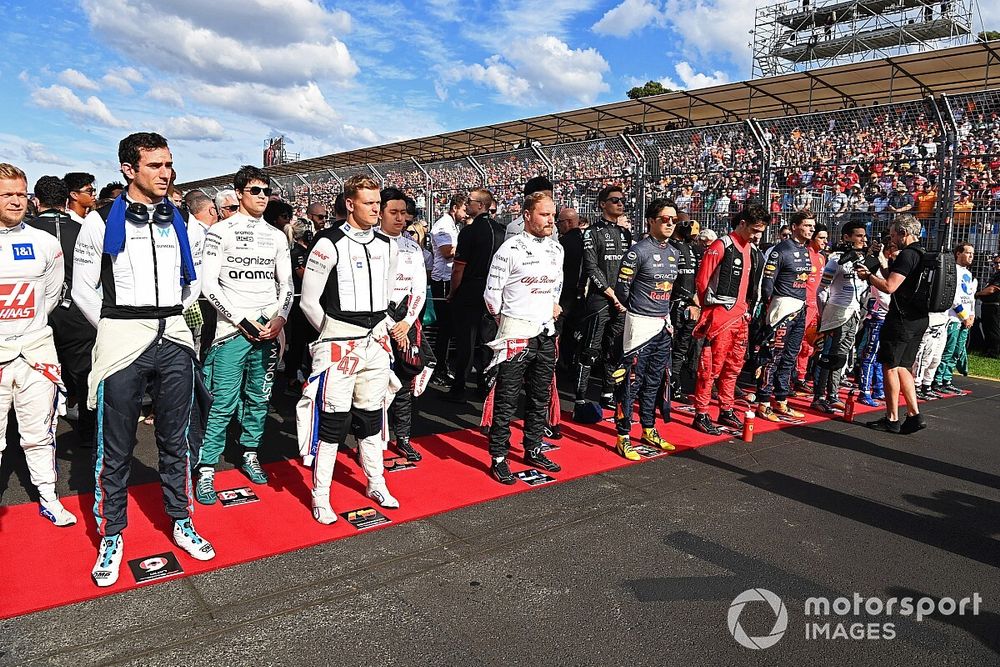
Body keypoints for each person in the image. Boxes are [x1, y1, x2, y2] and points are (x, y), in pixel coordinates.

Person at [73, 132, 212, 587]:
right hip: (121, 339)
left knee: (177, 439)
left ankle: (181, 519)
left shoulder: (182, 221)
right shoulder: (98, 222)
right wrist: (117, 326)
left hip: (173, 335)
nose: (166, 173)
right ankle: (112, 533)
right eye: (155, 165)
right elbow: (81, 290)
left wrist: (167, 319)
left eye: (168, 164)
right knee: (114, 447)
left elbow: (191, 283)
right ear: (128, 170)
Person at [297, 174, 400, 524]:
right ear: (350, 203)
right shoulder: (327, 243)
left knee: (372, 416)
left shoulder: (389, 244)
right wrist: (334, 335)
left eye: (378, 203)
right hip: (339, 343)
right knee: (332, 421)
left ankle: (376, 482)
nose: (376, 209)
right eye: (369, 203)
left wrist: (381, 330)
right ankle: (320, 496)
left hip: (375, 343)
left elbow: (387, 298)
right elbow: (309, 302)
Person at [194, 165, 293, 504]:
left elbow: (287, 285)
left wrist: (280, 318)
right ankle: (206, 467)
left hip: (268, 330)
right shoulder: (220, 232)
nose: (262, 197)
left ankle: (250, 453)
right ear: (239, 194)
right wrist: (240, 320)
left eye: (266, 191)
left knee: (260, 398)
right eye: (255, 191)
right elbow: (208, 286)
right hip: (230, 331)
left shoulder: (277, 236)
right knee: (222, 402)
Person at [0, 163, 77, 527]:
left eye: (21, 193)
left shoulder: (45, 243)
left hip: (34, 353)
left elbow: (49, 295)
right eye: (7, 194)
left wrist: (26, 332)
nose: (16, 201)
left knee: (39, 433)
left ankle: (49, 497)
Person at [482, 192, 563, 484]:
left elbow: (557, 286)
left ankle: (534, 447)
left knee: (540, 397)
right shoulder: (509, 249)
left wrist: (552, 305)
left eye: (553, 215)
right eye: (544, 215)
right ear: (527, 215)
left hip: (545, 332)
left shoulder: (557, 249)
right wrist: (507, 323)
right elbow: (491, 296)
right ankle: (499, 457)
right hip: (515, 333)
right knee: (506, 398)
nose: (550, 220)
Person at [24, 176, 99, 447]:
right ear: (66, 199)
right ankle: (89, 432)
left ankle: (34, 436)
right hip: (78, 313)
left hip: (37, 314)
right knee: (84, 374)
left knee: (35, 376)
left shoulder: (26, 232)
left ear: (36, 200)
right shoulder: (83, 230)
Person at [690, 205, 767, 435]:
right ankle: (701, 413)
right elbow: (702, 281)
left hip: (741, 317)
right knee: (710, 368)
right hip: (720, 318)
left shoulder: (751, 249)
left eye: (761, 231)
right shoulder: (720, 245)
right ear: (742, 223)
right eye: (754, 230)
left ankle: (726, 408)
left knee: (734, 367)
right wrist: (709, 312)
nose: (757, 236)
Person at [612, 198, 680, 460]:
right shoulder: (637, 252)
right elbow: (623, 290)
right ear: (651, 220)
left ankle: (649, 428)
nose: (670, 224)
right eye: (665, 219)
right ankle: (623, 436)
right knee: (630, 383)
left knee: (655, 381)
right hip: (639, 326)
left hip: (663, 324)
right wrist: (640, 312)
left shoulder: (673, 252)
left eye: (674, 220)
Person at [855, 214, 929, 434]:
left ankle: (892, 417)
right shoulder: (921, 254)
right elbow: (897, 278)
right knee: (905, 366)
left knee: (889, 365)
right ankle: (914, 414)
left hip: (901, 319)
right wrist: (882, 263)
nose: (891, 236)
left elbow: (889, 286)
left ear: (904, 233)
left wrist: (868, 276)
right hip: (919, 318)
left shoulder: (907, 254)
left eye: (894, 233)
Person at [573, 185, 632, 417]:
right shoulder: (592, 233)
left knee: (615, 348)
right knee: (590, 350)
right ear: (602, 204)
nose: (620, 203)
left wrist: (624, 296)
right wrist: (611, 293)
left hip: (621, 301)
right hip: (599, 300)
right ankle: (579, 398)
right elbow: (590, 267)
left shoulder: (625, 234)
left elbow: (628, 268)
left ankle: (608, 393)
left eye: (622, 200)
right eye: (615, 200)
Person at [380, 187, 429, 463]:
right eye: (393, 212)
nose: (400, 218)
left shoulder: (412, 245)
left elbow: (420, 288)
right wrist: (389, 324)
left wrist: (407, 322)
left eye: (403, 213)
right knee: (374, 384)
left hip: (406, 321)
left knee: (405, 382)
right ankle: (372, 438)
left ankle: (404, 437)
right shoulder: (370, 243)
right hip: (377, 323)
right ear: (381, 212)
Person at [753, 210, 816, 422]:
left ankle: (781, 399)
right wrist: (768, 306)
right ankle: (763, 402)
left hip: (801, 307)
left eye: (812, 226)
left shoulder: (806, 250)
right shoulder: (780, 250)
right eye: (807, 225)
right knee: (773, 356)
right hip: (782, 307)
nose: (811, 229)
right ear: (795, 226)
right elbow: (768, 282)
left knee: (790, 356)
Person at [446, 189, 504, 401]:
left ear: (480, 205)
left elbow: (458, 269)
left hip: (471, 289)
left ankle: (459, 389)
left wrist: (453, 292)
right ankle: (485, 386)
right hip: (494, 290)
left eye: (470, 201)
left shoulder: (469, 232)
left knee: (466, 342)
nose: (467, 204)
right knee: (488, 340)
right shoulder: (501, 231)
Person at [811, 221, 872, 412]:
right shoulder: (836, 260)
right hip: (836, 313)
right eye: (859, 236)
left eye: (864, 236)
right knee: (828, 356)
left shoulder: (861, 260)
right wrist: (823, 314)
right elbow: (822, 289)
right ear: (847, 237)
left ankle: (833, 394)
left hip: (853, 313)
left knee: (842, 357)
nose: (863, 239)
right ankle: (819, 396)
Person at [429, 194, 466, 384]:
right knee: (445, 327)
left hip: (448, 278)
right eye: (463, 209)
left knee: (449, 327)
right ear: (454, 208)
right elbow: (446, 252)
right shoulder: (443, 225)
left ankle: (442, 367)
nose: (465, 213)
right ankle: (439, 369)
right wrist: (467, 246)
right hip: (442, 280)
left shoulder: (453, 225)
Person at [667, 212, 701, 402]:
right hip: (673, 306)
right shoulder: (670, 247)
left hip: (690, 306)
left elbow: (693, 278)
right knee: (670, 348)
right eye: (687, 223)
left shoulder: (690, 248)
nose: (692, 227)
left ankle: (675, 385)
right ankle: (665, 384)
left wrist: (694, 298)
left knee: (681, 348)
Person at [794, 222, 827, 393]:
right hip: (802, 306)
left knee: (809, 345)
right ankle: (787, 378)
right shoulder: (803, 254)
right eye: (821, 238)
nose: (825, 241)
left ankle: (801, 377)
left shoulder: (821, 258)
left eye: (826, 238)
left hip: (815, 307)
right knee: (795, 343)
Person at [284, 219, 316, 393]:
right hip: (299, 302)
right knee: (298, 341)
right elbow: (305, 276)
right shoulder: (298, 252)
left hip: (302, 301)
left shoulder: (302, 250)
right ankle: (292, 376)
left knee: (303, 340)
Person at [975, 253, 1000, 358]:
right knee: (988, 329)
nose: (997, 265)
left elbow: (992, 289)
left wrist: (977, 294)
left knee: (994, 330)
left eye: (999, 263)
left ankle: (994, 352)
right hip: (988, 305)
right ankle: (988, 350)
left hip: (995, 306)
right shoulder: (996, 274)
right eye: (995, 263)